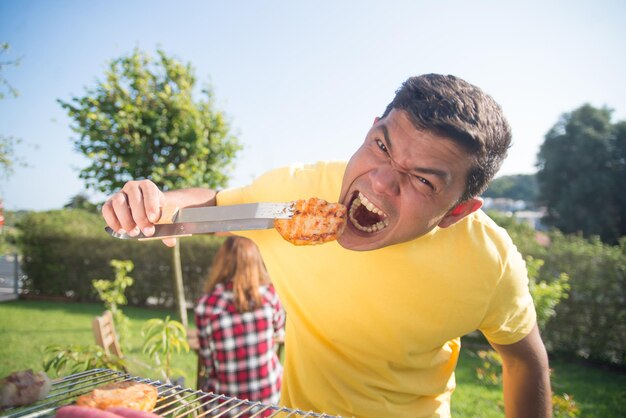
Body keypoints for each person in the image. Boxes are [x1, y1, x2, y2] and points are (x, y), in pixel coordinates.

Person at [103, 74, 552, 417]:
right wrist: (158, 203)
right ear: (371, 128)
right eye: (381, 146)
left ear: (456, 211)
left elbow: (525, 361)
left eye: (421, 180)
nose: (380, 181)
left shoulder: (489, 260)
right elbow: (212, 205)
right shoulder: (298, 193)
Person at [194, 236, 285, 417]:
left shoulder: (207, 305)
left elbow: (207, 360)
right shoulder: (270, 295)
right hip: (270, 398)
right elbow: (278, 330)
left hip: (226, 405)